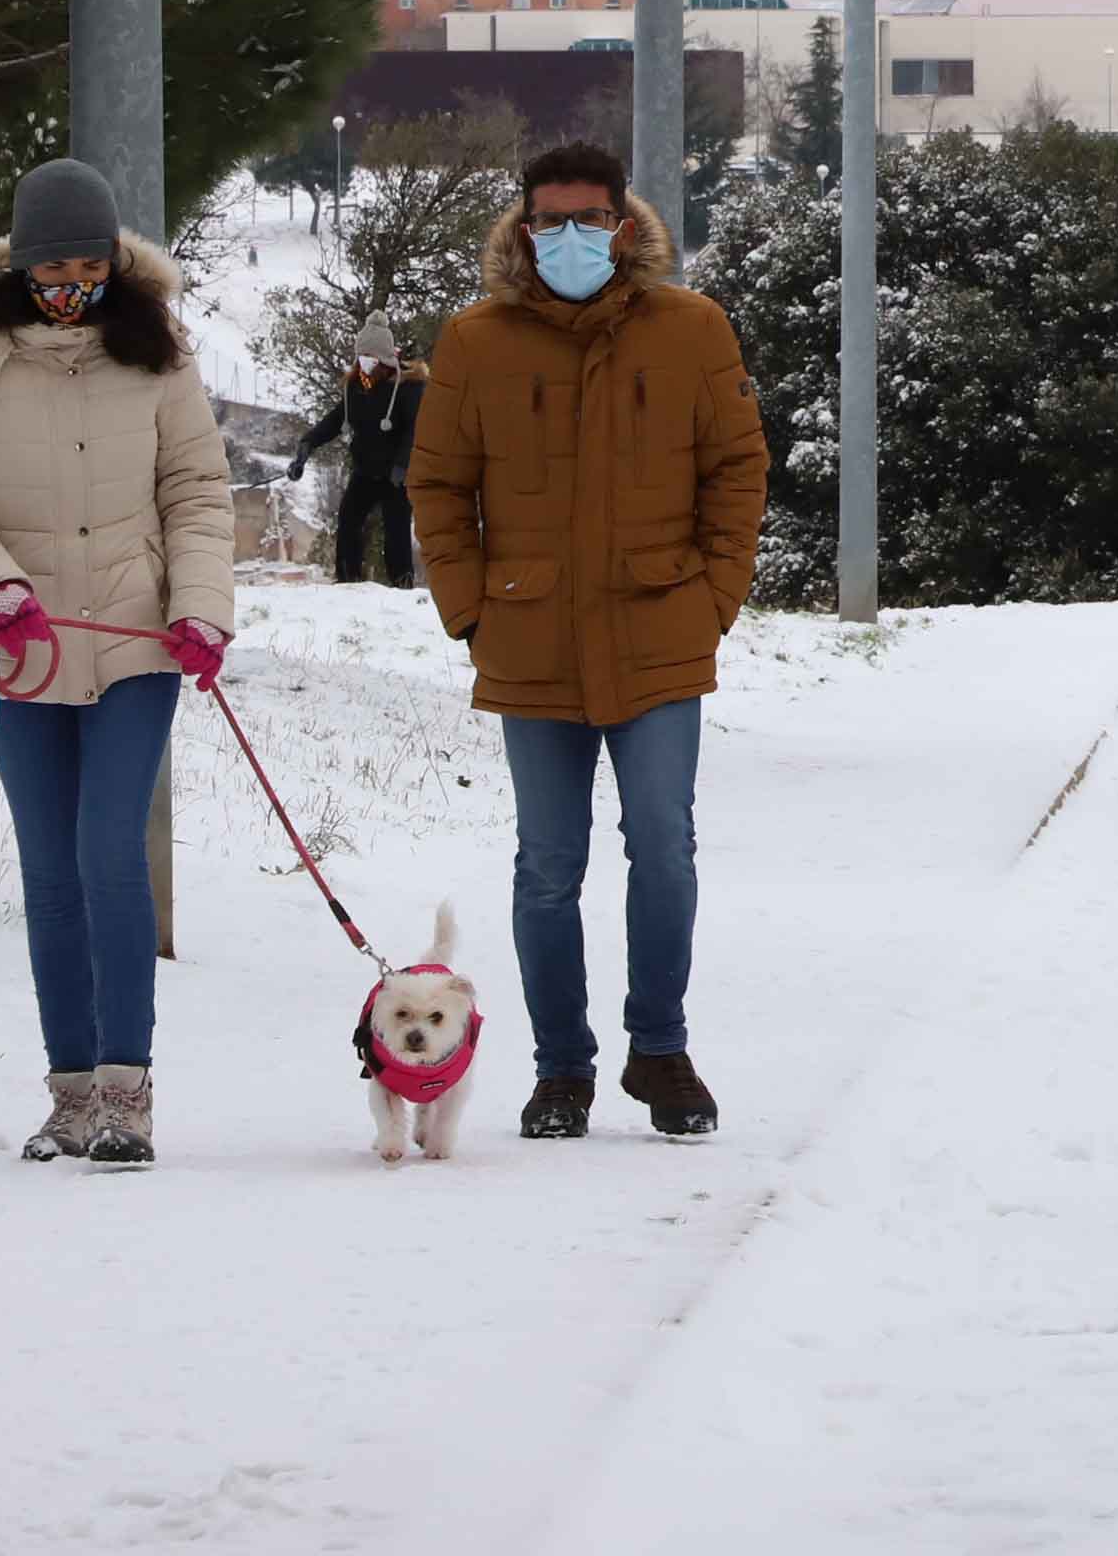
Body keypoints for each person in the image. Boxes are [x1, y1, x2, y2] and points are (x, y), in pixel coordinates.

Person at [408, 140, 766, 1141]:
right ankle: (561, 1067)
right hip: (529, 640)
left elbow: (737, 467)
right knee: (546, 867)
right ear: (525, 228)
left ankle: (661, 1048)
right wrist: (471, 607)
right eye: (550, 221)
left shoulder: (692, 328)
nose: (570, 237)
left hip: (660, 630)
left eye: (589, 219)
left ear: (622, 221)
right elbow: (437, 484)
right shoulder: (475, 340)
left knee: (665, 847)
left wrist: (714, 596)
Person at [0, 157, 234, 1169]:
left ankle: (128, 1091)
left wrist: (201, 606)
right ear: (21, 263)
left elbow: (196, 489)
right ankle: (71, 1092)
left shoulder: (157, 350)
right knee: (51, 870)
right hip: (19, 648)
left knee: (108, 852)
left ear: (114, 264)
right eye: (53, 267)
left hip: (135, 644)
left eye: (91, 266)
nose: (72, 284)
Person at [288, 319, 422, 586]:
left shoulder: (408, 387)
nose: (364, 363)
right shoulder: (356, 386)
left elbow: (415, 429)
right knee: (349, 520)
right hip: (365, 470)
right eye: (361, 357)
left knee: (396, 528)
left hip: (397, 473)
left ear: (384, 358)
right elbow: (336, 420)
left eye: (370, 357)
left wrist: (403, 465)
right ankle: (347, 579)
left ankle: (402, 582)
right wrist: (307, 446)